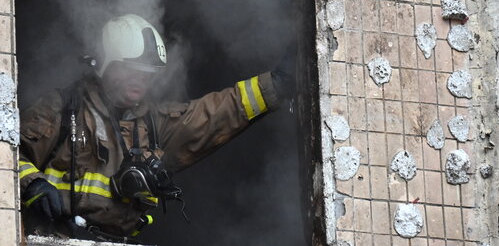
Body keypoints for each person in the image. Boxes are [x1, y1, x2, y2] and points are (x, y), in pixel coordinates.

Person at [19, 14, 295, 242]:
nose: (140, 79)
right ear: (106, 64)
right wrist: (33, 184)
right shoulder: (61, 110)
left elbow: (215, 114)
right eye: (132, 68)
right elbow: (2, 156)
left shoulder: (153, 123)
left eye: (148, 72)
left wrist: (277, 85)